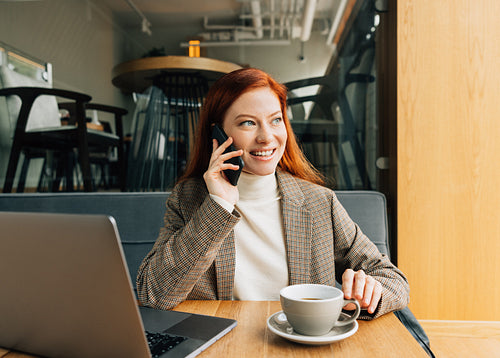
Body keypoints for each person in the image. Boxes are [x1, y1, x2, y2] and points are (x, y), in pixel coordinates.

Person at [137, 68, 409, 320]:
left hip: (301, 346)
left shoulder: (319, 202)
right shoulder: (188, 199)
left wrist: (370, 293)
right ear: (218, 134)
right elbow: (153, 293)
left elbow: (393, 280)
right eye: (247, 123)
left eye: (276, 120)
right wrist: (218, 205)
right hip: (225, 346)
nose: (267, 137)